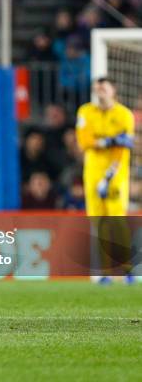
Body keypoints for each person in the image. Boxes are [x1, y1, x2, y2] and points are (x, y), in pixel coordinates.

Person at [75, 77, 134, 284]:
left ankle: (127, 269)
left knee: (117, 221)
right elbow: (83, 142)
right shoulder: (85, 112)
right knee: (99, 222)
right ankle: (105, 272)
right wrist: (107, 140)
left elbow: (122, 148)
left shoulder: (124, 115)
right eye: (96, 87)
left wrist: (108, 177)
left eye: (103, 87)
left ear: (113, 90)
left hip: (116, 175)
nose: (99, 90)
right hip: (92, 174)